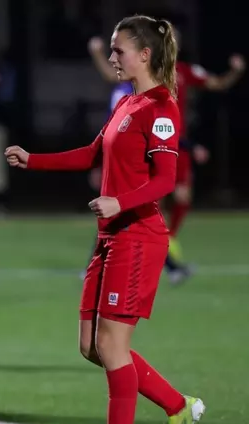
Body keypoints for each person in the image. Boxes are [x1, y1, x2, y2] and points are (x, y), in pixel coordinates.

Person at [5, 16, 205, 424]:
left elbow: (167, 180)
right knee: (91, 346)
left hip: (138, 237)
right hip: (109, 238)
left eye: (119, 50)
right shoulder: (127, 103)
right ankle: (177, 405)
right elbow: (93, 153)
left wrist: (120, 202)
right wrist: (32, 159)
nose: (112, 57)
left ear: (144, 55)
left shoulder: (161, 108)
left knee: (112, 346)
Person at [88, 33, 245, 282]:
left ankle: (157, 259)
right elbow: (113, 78)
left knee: (157, 205)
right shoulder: (145, 73)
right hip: (152, 147)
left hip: (172, 145)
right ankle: (145, 263)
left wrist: (235, 72)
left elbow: (217, 83)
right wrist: (97, 53)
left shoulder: (183, 71)